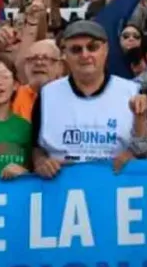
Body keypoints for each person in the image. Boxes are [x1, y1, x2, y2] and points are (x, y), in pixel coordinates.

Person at [32, 20, 140, 179]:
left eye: (92, 47)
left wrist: (133, 156)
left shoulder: (132, 91)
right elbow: (36, 146)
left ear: (106, 49)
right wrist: (40, 162)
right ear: (65, 54)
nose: (85, 55)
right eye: (76, 49)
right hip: (62, 188)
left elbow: (146, 144)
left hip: (116, 187)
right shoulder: (47, 94)